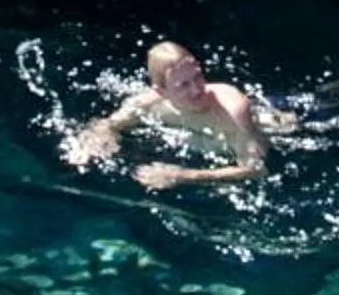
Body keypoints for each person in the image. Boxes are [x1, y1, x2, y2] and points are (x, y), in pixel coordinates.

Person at [65, 40, 269, 192]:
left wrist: (184, 176)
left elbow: (256, 169)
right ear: (162, 91)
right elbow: (107, 124)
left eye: (197, 77)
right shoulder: (147, 104)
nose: (197, 90)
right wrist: (98, 139)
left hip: (263, 128)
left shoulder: (233, 110)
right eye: (183, 85)